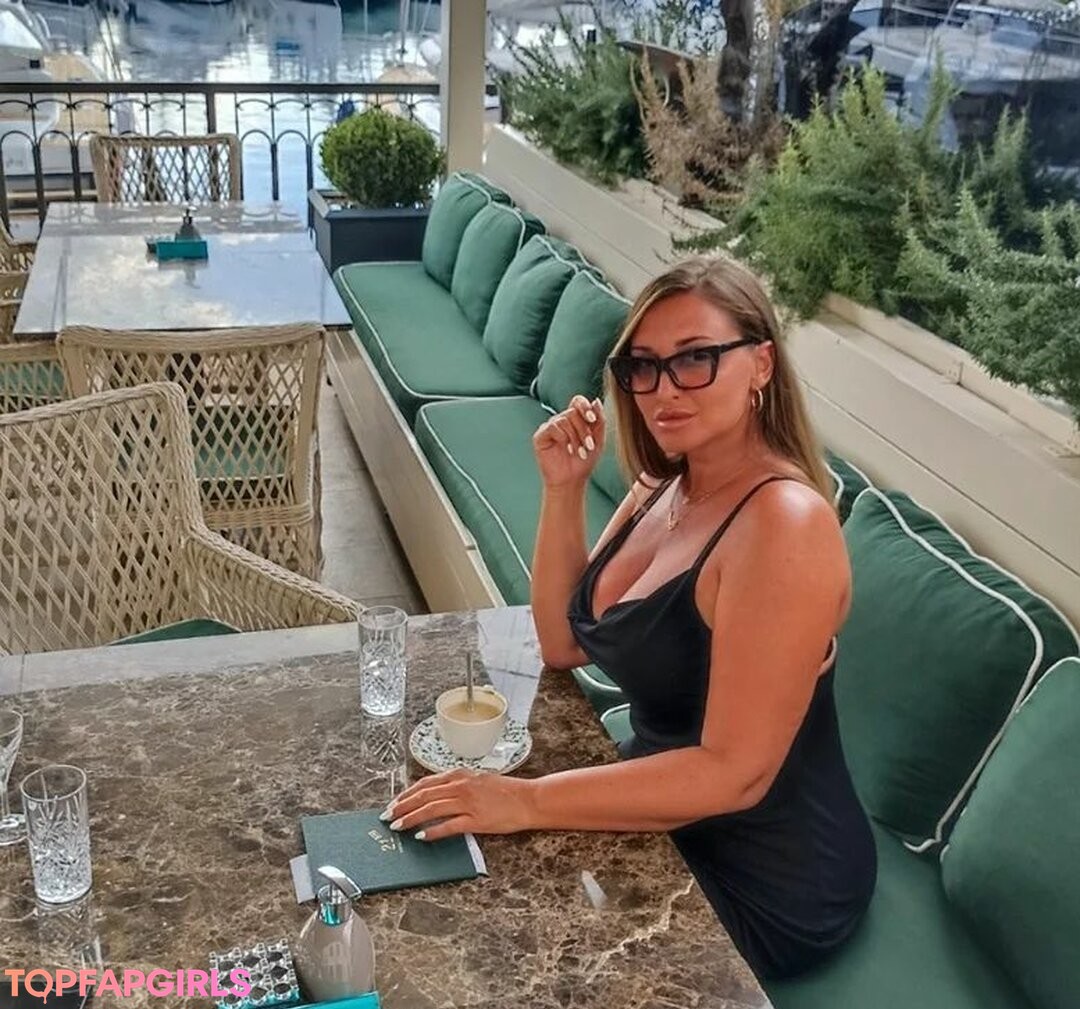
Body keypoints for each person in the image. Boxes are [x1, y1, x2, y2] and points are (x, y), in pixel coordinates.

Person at [382, 255, 877, 980]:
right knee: (451, 894)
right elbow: (561, 641)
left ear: (761, 363)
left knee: (509, 953)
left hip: (763, 873)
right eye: (643, 366)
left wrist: (525, 800)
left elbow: (735, 774)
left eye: (696, 359)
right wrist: (563, 488)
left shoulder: (784, 524)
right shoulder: (664, 484)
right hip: (652, 808)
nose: (663, 389)